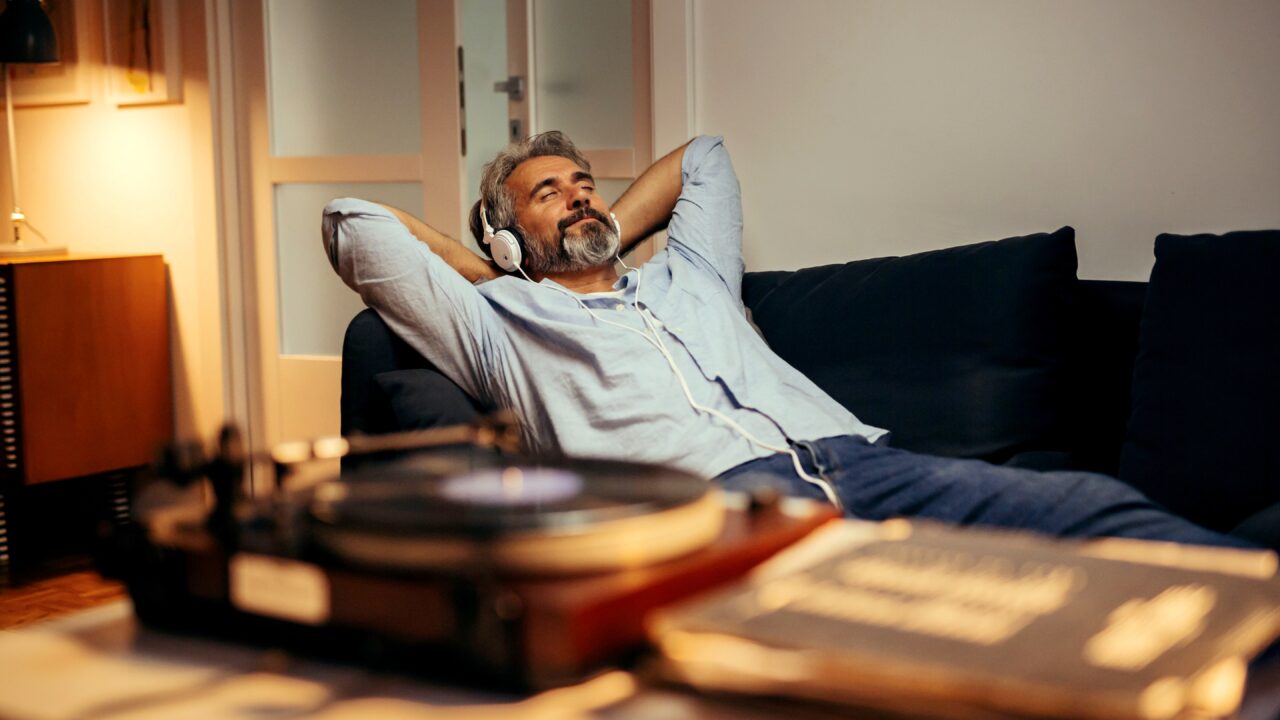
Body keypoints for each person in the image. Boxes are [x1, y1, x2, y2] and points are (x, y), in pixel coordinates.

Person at [324, 132, 1252, 548]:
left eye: (587, 183)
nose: (580, 195)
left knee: (1099, 515)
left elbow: (704, 157)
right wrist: (505, 274)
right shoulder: (501, 329)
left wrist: (586, 224)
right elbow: (349, 221)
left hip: (867, 462)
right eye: (548, 192)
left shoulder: (692, 279)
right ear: (502, 230)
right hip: (721, 510)